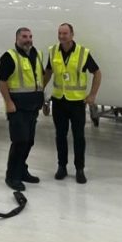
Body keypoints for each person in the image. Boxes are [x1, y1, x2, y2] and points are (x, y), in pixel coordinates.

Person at [42, 23, 101, 183]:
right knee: (60, 136)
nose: (62, 36)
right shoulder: (53, 51)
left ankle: (79, 169)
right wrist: (40, 88)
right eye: (60, 33)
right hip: (59, 101)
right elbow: (48, 72)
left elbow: (97, 73)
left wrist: (92, 95)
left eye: (65, 33)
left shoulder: (82, 53)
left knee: (78, 137)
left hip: (76, 103)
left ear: (72, 34)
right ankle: (62, 166)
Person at [0, 27, 45, 191]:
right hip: (17, 107)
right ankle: (12, 176)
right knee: (19, 142)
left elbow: (39, 77)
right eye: (24, 36)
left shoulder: (36, 55)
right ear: (17, 38)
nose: (28, 39)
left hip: (33, 107)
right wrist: (8, 102)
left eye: (30, 36)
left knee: (29, 141)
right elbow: (2, 80)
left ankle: (22, 170)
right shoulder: (9, 57)